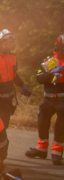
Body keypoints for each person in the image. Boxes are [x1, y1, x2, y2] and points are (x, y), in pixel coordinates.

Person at [25, 35, 64, 165]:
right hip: (48, 99)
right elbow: (39, 78)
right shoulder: (49, 61)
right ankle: (41, 149)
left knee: (61, 125)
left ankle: (57, 153)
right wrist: (52, 74)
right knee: (42, 121)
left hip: (63, 100)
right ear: (57, 46)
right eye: (61, 48)